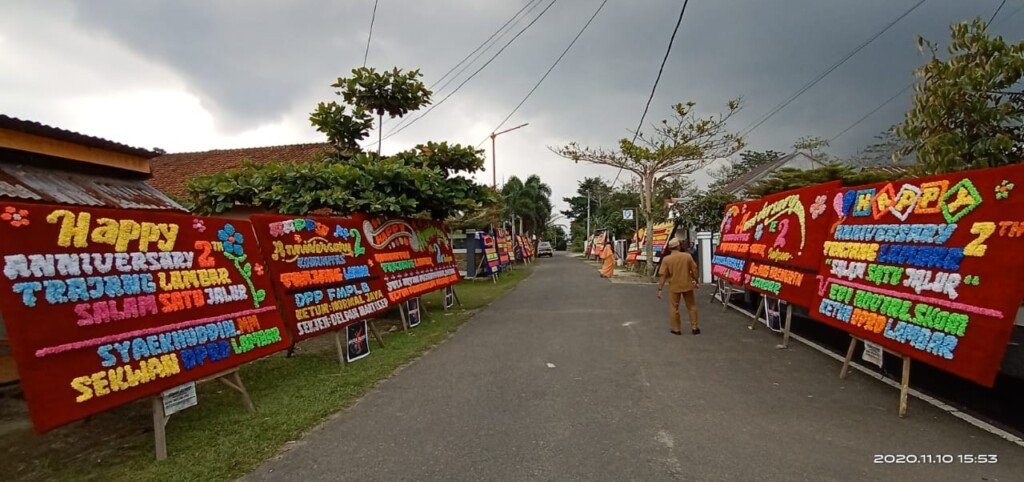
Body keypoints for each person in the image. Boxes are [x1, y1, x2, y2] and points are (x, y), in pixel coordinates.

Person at [657, 238, 701, 335]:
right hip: (687, 284)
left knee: (674, 307)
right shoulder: (687, 256)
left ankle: (676, 329)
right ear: (678, 246)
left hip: (674, 286)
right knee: (691, 306)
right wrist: (697, 281)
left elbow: (663, 276)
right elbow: (694, 270)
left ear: (670, 248)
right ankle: (695, 327)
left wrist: (660, 289)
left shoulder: (667, 259)